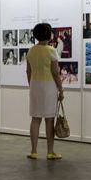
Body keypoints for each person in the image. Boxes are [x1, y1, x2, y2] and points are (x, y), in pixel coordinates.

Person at [26, 23, 64, 160]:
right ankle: (50, 151)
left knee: (35, 119)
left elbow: (28, 71)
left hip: (35, 86)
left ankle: (33, 151)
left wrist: (31, 85)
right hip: (48, 87)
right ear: (48, 35)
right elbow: (55, 73)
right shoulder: (51, 50)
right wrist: (61, 89)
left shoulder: (31, 51)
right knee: (49, 119)